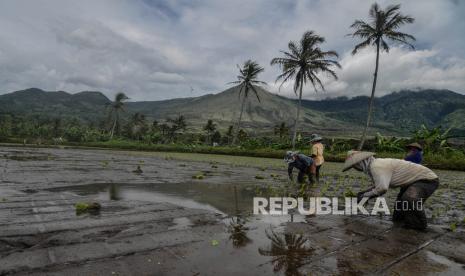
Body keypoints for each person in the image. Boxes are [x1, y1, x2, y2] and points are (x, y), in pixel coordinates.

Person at [342, 150, 439, 230]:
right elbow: (378, 186)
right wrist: (363, 194)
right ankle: (406, 226)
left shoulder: (376, 166)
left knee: (409, 199)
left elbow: (382, 188)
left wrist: (365, 196)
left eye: (354, 166)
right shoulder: (375, 166)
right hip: (409, 183)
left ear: (360, 163)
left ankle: (420, 226)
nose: (355, 168)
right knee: (398, 216)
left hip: (426, 180)